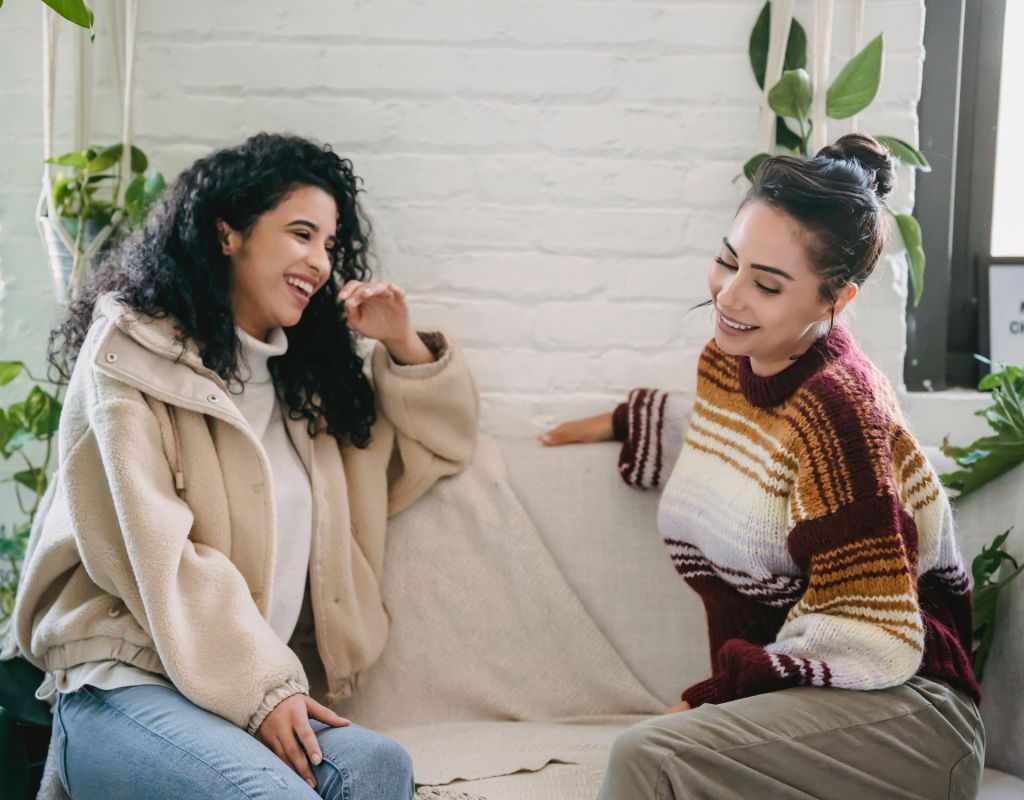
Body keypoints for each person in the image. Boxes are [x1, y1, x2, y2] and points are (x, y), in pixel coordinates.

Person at [14, 133, 479, 800]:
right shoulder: (128, 357)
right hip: (125, 680)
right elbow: (158, 556)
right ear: (228, 232)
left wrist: (402, 343)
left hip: (239, 695)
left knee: (380, 766)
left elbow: (437, 448)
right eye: (300, 234)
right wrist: (264, 689)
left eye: (328, 243)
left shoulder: (306, 394)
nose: (320, 261)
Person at [542, 134, 984, 799]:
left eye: (768, 284)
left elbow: (864, 627)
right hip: (817, 700)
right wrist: (625, 422)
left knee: (649, 757)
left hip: (908, 713)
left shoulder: (842, 411)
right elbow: (747, 447)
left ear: (837, 301)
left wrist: (718, 695)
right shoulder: (734, 360)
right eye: (728, 261)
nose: (731, 295)